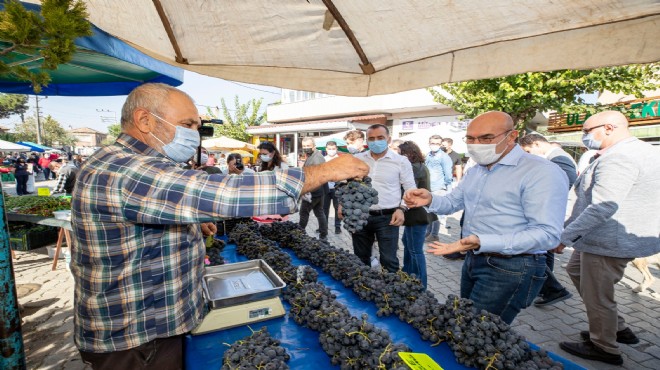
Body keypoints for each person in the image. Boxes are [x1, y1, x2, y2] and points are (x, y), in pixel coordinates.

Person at [70, 83, 369, 370]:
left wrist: (188, 222)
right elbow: (226, 192)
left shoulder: (131, 163)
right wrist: (324, 172)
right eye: (187, 124)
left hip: (148, 331)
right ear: (145, 120)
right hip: (136, 341)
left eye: (196, 127)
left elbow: (158, 205)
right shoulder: (125, 168)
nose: (194, 135)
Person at [404, 111, 568, 325]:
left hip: (512, 267)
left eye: (486, 138)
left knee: (478, 331)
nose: (477, 144)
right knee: (465, 323)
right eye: (470, 138)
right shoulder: (477, 170)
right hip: (474, 259)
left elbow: (547, 235)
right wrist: (429, 199)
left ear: (512, 136)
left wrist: (482, 241)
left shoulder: (541, 172)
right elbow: (453, 202)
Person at [556, 111, 660, 366]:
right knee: (576, 270)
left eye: (587, 130)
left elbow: (602, 207)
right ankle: (617, 327)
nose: (584, 136)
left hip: (607, 242)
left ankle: (604, 346)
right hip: (604, 238)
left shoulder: (619, 157)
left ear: (610, 127)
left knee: (597, 294)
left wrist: (564, 237)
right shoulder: (642, 151)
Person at [349, 124, 416, 273]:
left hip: (387, 217)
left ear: (389, 139)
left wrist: (402, 208)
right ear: (367, 140)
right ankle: (363, 289)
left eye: (380, 138)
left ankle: (392, 292)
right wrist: (344, 205)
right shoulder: (357, 159)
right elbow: (349, 185)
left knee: (389, 260)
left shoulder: (400, 161)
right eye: (371, 138)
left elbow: (411, 188)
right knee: (360, 259)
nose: (375, 141)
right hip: (360, 216)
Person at [519, 133, 577, 307]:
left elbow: (560, 185)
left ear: (537, 144)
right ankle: (547, 289)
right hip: (545, 214)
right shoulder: (554, 158)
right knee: (542, 253)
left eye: (529, 150)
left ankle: (552, 289)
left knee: (539, 253)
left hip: (548, 215)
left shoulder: (559, 159)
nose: (528, 155)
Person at [398, 141, 432, 288]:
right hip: (418, 212)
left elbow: (409, 191)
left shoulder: (413, 168)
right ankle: (407, 273)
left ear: (408, 153)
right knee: (407, 242)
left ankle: (420, 284)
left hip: (416, 214)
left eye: (400, 153)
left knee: (415, 250)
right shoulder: (420, 166)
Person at [298, 137, 329, 239]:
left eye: (308, 146)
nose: (306, 148)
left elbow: (316, 176)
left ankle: (299, 234)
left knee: (304, 213)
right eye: (304, 146)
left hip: (313, 191)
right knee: (319, 212)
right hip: (319, 191)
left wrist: (307, 191)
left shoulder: (317, 158)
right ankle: (323, 234)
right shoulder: (312, 155)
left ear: (314, 146)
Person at [425, 135, 453, 243]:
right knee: (428, 212)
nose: (434, 145)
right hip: (429, 187)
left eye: (437, 144)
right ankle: (428, 232)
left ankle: (434, 234)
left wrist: (448, 189)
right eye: (432, 143)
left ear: (441, 145)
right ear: (429, 143)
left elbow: (448, 174)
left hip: (439, 188)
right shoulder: (428, 155)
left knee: (435, 212)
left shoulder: (444, 157)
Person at [322, 141, 342, 234]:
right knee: (324, 208)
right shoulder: (323, 159)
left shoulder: (340, 160)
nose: (331, 150)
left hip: (337, 188)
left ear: (336, 149)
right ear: (326, 149)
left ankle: (337, 227)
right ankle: (324, 226)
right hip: (325, 187)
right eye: (329, 149)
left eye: (333, 149)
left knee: (337, 208)